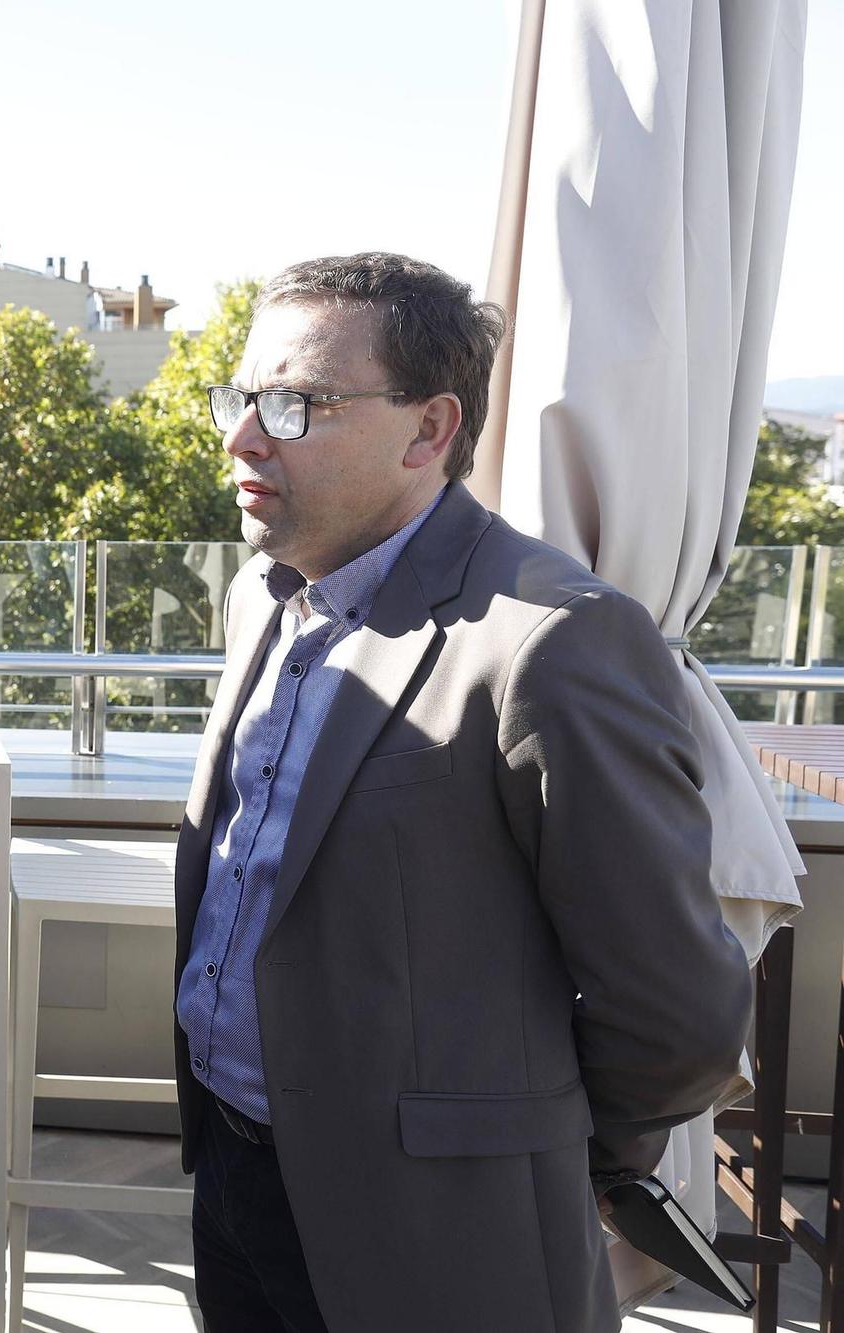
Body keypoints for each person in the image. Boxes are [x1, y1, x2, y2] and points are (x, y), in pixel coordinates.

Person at [172, 251, 751, 1332]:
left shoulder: (554, 640)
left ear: (428, 429)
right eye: (239, 397)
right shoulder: (265, 596)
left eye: (295, 404)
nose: (242, 435)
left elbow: (678, 1008)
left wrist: (540, 1153)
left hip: (438, 1226)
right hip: (236, 1176)